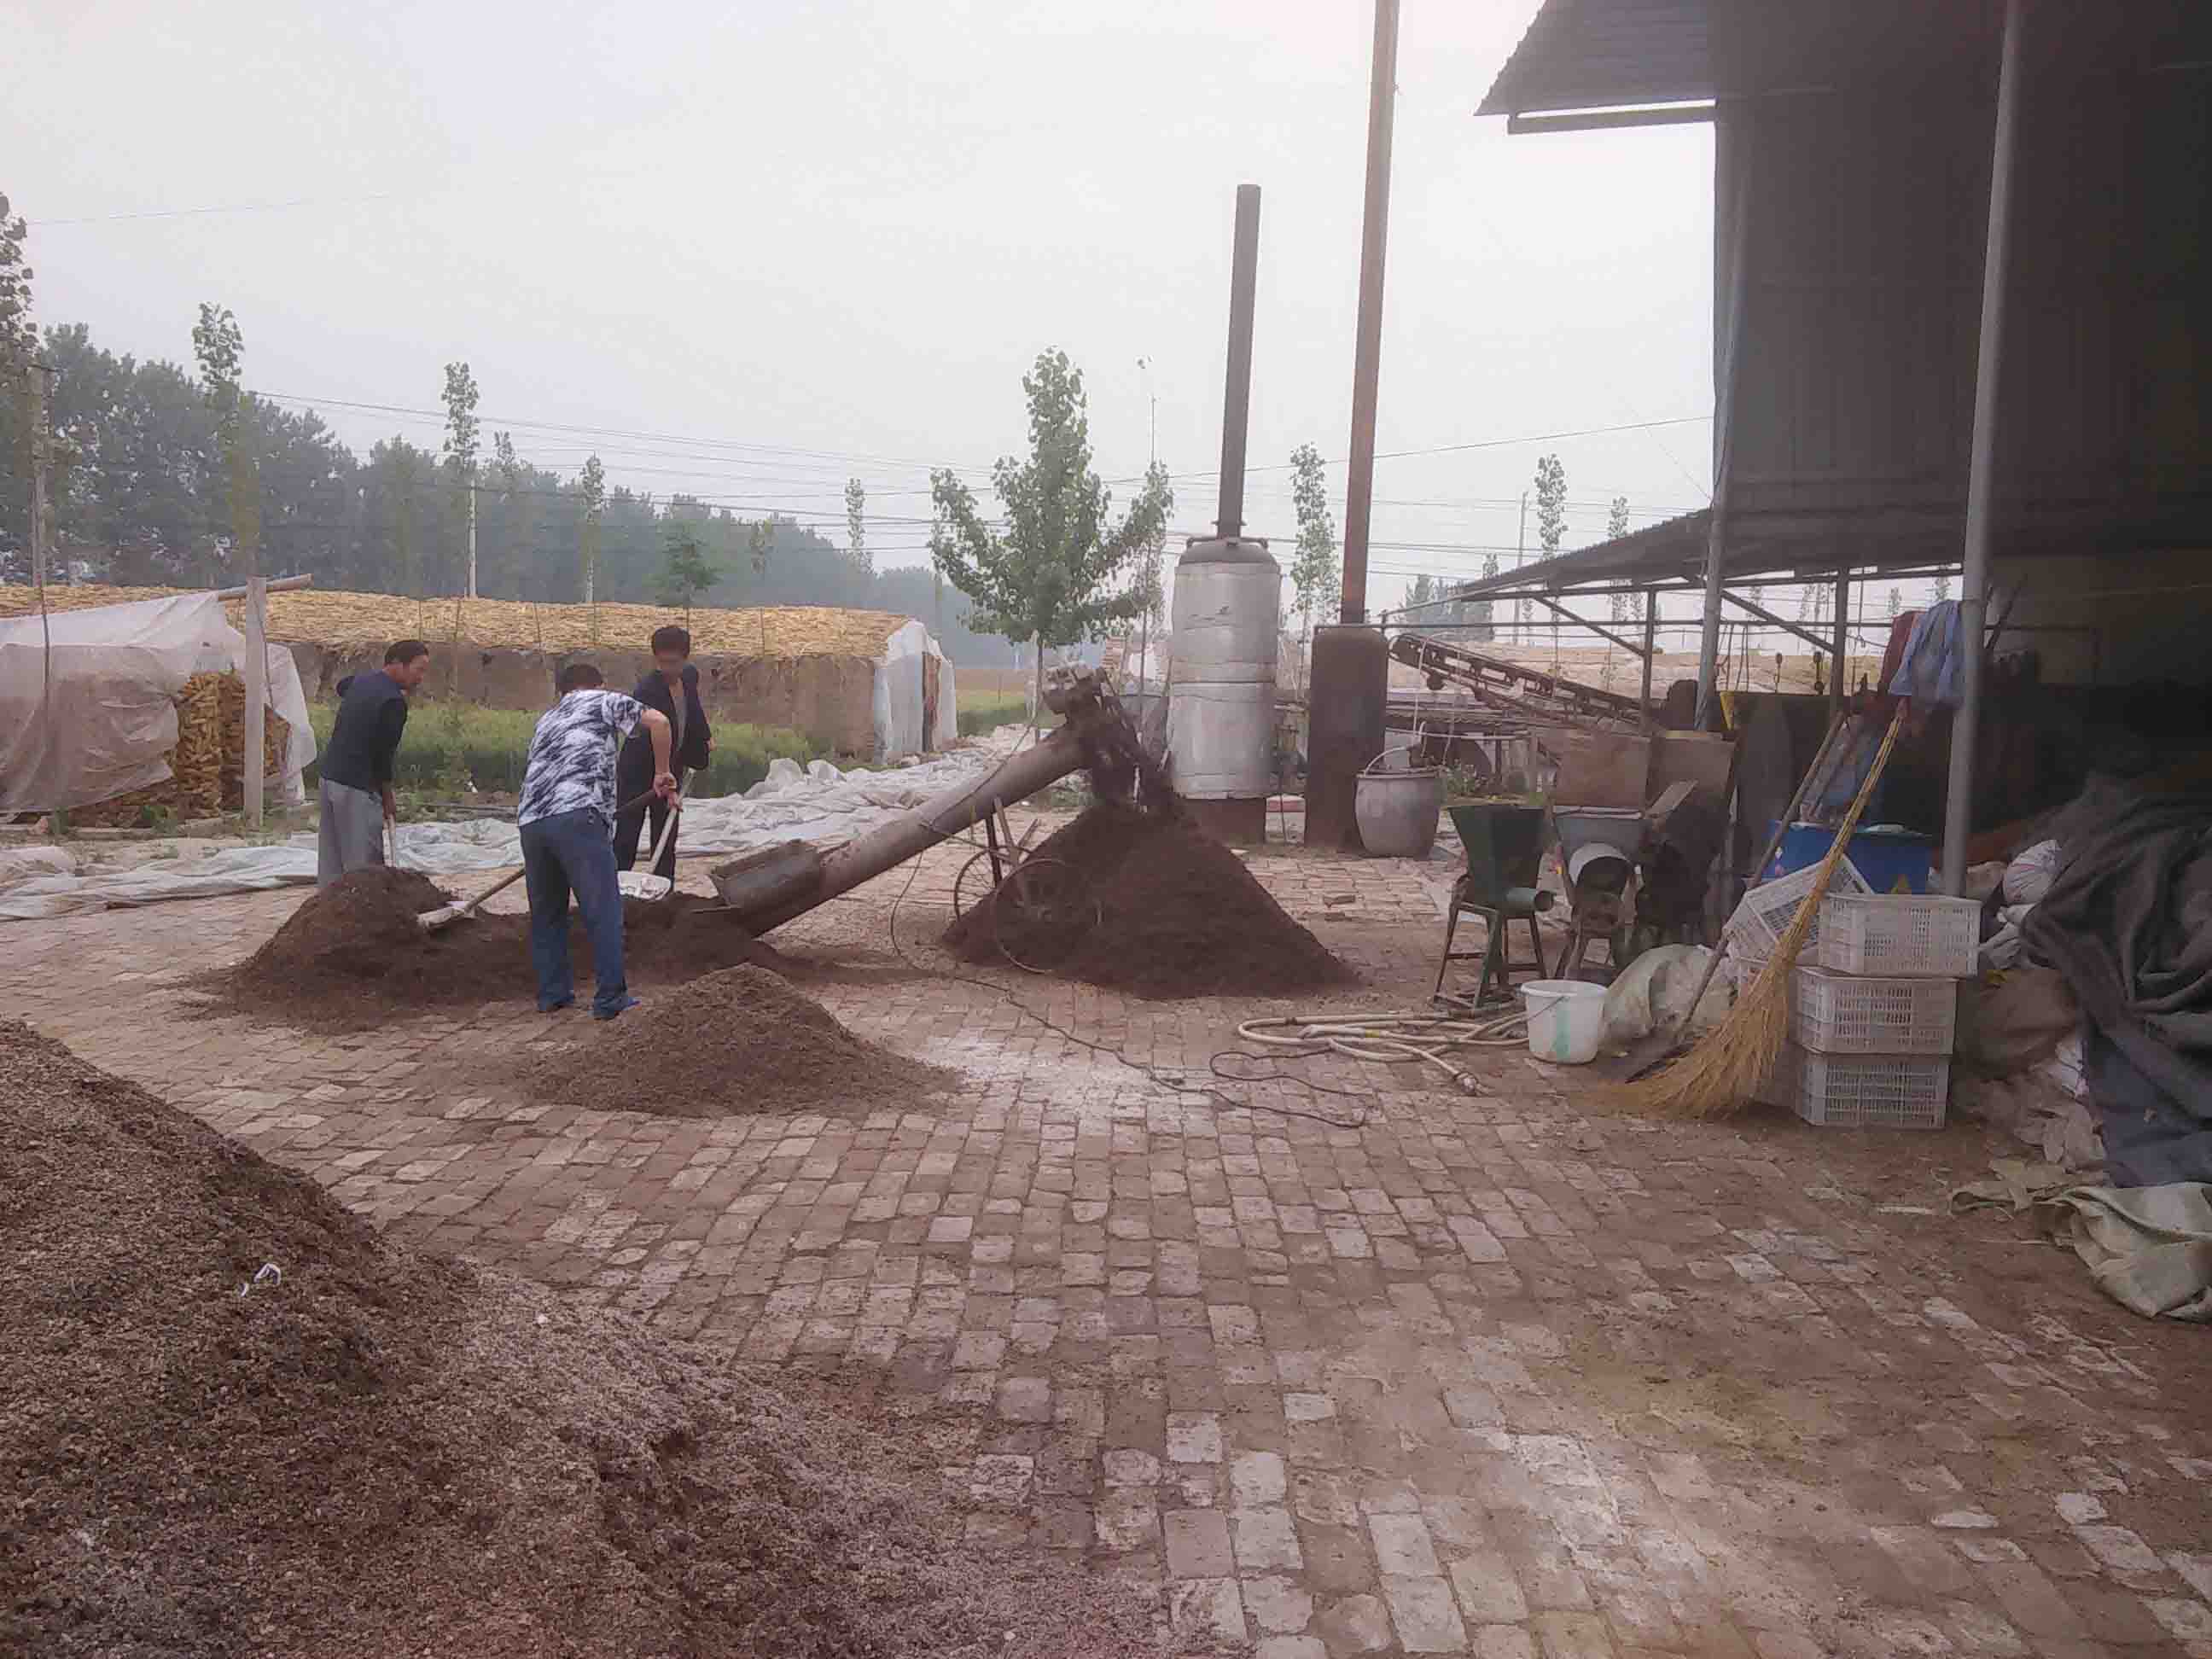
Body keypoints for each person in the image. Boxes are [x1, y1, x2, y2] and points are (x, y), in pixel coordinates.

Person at [517, 661, 675, 1020]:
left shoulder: (547, 719)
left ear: (561, 690)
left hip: (532, 821)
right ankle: (610, 999)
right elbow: (660, 722)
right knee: (602, 909)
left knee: (547, 913)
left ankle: (553, 995)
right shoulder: (602, 700)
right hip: (578, 815)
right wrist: (662, 773)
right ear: (599, 684)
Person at [317, 639, 431, 887]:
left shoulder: (361, 681)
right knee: (365, 868)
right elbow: (382, 756)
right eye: (418, 669)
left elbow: (341, 686)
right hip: (357, 786)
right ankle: (365, 919)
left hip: (329, 780)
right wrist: (388, 797)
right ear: (397, 664)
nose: (421, 678)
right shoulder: (393, 702)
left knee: (332, 860)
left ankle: (331, 915)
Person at [615, 625, 713, 882]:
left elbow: (694, 707)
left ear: (686, 659)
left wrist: (705, 737)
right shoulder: (647, 691)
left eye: (674, 662)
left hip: (672, 764)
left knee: (666, 832)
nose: (668, 668)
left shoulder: (689, 677)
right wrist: (664, 777)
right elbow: (652, 736)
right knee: (627, 832)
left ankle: (663, 889)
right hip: (639, 768)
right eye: (662, 662)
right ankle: (618, 888)